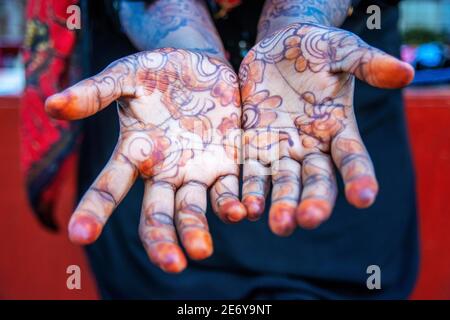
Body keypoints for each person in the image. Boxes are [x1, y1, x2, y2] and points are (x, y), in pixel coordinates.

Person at [45, 0, 418, 299]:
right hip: (160, 105)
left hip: (316, 86)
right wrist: (187, 43)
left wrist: (300, 18)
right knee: (156, 276)